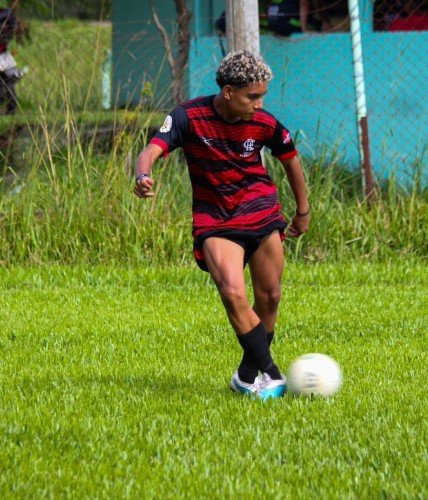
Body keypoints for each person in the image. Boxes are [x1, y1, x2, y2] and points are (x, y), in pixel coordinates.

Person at [133, 51, 310, 400]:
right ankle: (272, 374)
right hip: (215, 216)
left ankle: (246, 376)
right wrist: (142, 174)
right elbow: (151, 149)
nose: (259, 105)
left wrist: (303, 210)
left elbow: (291, 160)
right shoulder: (188, 116)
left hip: (259, 208)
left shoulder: (266, 123)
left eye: (262, 96)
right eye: (252, 97)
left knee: (270, 296)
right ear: (228, 92)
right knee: (231, 291)